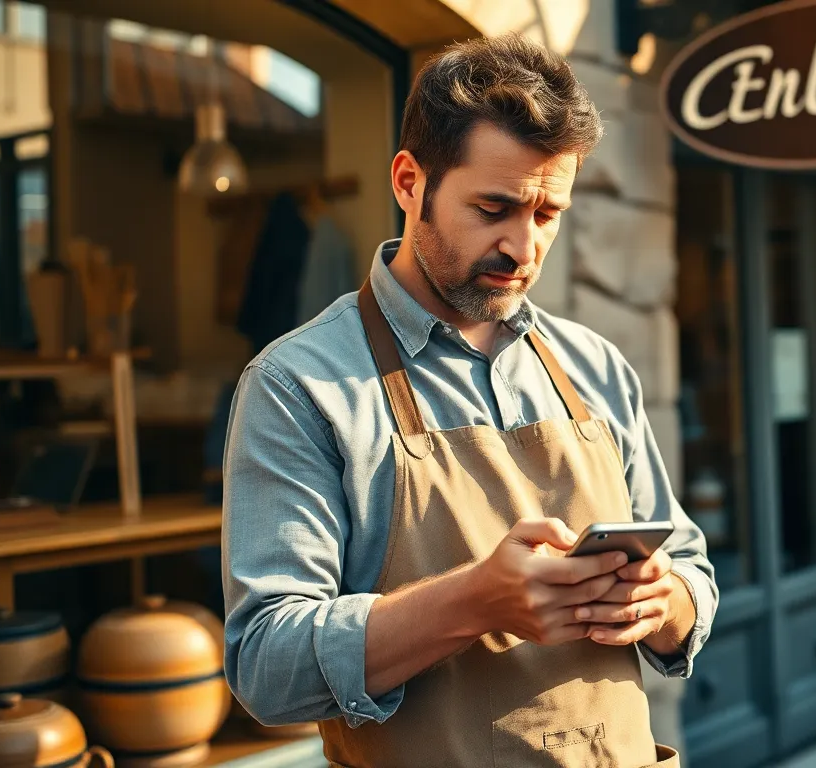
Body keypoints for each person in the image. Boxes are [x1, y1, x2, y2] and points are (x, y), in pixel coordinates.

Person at [220, 34, 716, 768]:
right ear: (409, 180)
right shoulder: (299, 386)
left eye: (548, 214)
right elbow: (267, 668)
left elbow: (690, 571)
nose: (524, 247)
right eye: (494, 207)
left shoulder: (597, 367)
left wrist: (662, 602)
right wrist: (478, 601)